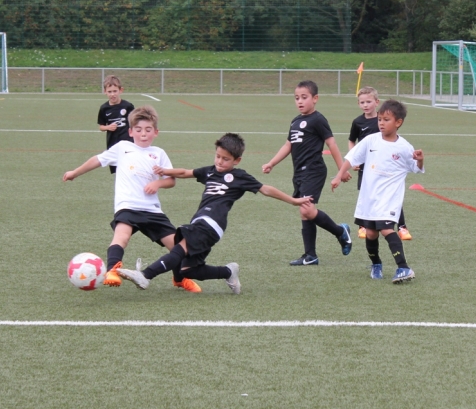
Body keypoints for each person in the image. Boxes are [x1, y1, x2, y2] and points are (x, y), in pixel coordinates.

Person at [119, 133, 312, 294]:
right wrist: (165, 171)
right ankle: (228, 271)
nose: (220, 161)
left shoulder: (240, 176)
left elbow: (265, 189)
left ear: (237, 160)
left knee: (180, 248)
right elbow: (186, 172)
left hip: (211, 223)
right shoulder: (210, 172)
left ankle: (145, 276)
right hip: (203, 224)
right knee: (188, 269)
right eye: (218, 156)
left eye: (225, 159)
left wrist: (294, 200)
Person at [63, 106, 200, 293]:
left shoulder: (159, 153)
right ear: (130, 131)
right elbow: (97, 160)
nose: (143, 134)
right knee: (121, 236)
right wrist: (75, 173)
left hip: (152, 210)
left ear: (156, 132)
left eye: (148, 129)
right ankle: (112, 271)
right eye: (138, 129)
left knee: (177, 247)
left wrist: (158, 184)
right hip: (127, 206)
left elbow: (171, 180)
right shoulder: (122, 148)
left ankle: (179, 279)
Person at [332, 99, 424, 283]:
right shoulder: (370, 140)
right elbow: (352, 157)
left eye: (386, 120)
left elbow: (416, 168)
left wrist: (420, 159)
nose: (381, 123)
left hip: (389, 198)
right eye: (380, 119)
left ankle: (403, 267)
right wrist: (339, 175)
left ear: (398, 122)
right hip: (369, 196)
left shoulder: (404, 147)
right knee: (371, 233)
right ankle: (376, 264)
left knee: (386, 229)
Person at [262, 80, 353, 266]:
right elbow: (288, 145)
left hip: (314, 170)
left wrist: (341, 170)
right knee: (305, 213)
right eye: (297, 98)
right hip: (300, 173)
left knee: (306, 209)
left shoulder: (318, 119)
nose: (300, 101)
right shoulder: (295, 121)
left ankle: (340, 232)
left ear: (315, 98)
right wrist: (272, 163)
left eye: (304, 97)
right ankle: (310, 256)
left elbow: (332, 144)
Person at [348, 86, 412, 241]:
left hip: (385, 167)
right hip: (367, 167)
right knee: (366, 195)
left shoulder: (385, 118)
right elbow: (352, 141)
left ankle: (402, 226)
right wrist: (354, 160)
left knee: (391, 197)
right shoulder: (357, 122)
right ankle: (363, 226)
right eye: (362, 102)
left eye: (368, 102)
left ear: (376, 102)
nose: (365, 105)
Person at [97, 75, 135, 174]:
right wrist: (108, 127)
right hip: (113, 143)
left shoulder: (128, 106)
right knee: (118, 171)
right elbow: (101, 127)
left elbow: (135, 123)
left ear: (121, 90)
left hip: (128, 142)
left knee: (130, 168)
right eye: (109, 92)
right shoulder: (104, 108)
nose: (112, 94)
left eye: (115, 91)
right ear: (105, 91)